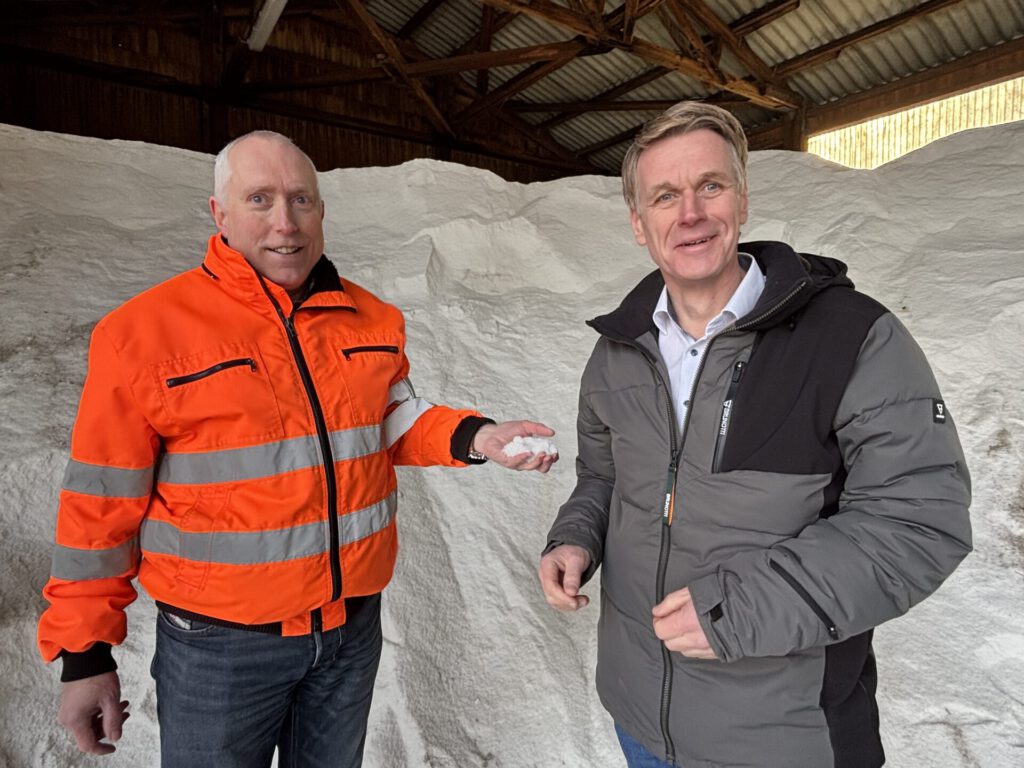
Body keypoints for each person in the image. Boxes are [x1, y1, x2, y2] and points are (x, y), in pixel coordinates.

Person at [38, 130, 556, 767]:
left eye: (301, 200)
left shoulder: (370, 319)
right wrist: (85, 655)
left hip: (349, 634)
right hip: (219, 650)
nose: (285, 222)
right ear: (219, 213)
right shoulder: (142, 335)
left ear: (320, 210)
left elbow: (392, 419)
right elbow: (99, 504)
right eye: (259, 199)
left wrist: (478, 435)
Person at [538, 102, 971, 768]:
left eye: (709, 186)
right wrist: (575, 536)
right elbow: (603, 477)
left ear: (741, 197)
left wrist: (741, 608)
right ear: (638, 223)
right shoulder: (618, 354)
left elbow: (920, 524)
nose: (689, 213)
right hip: (640, 722)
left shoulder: (851, 338)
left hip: (784, 741)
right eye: (664, 196)